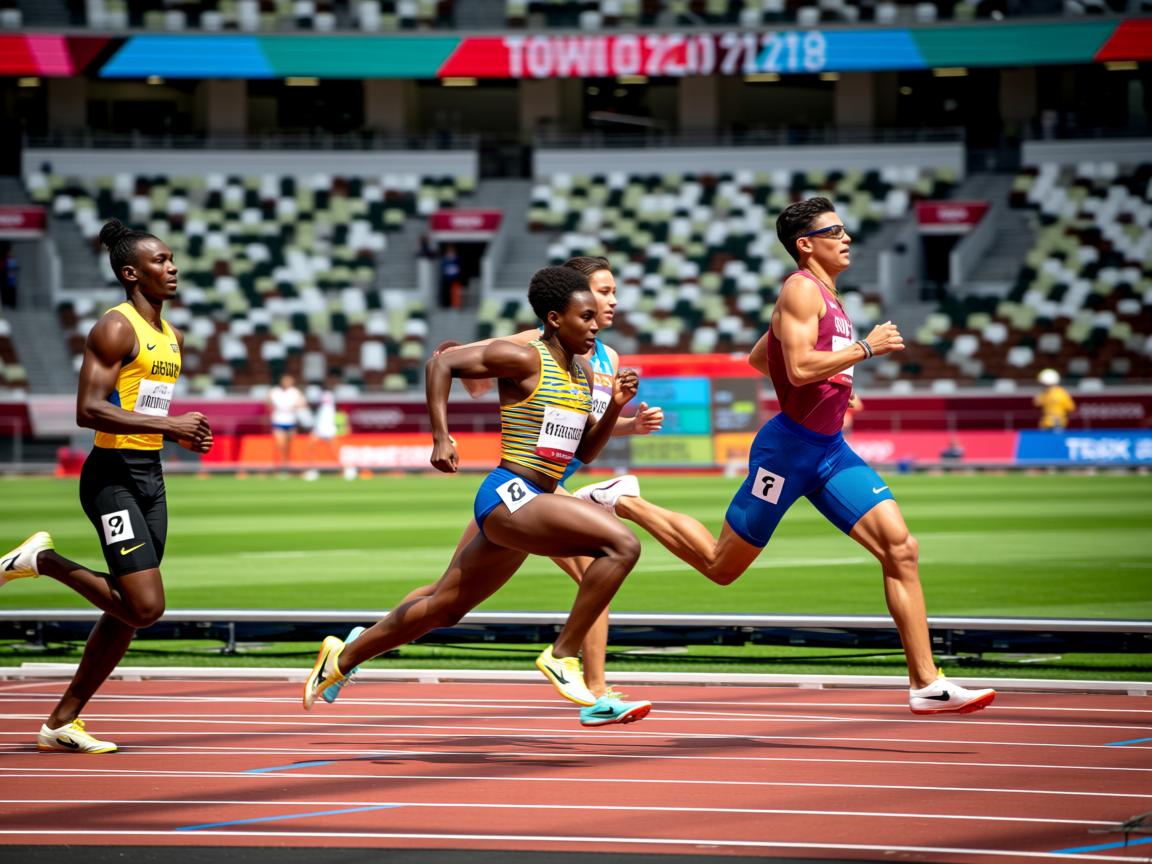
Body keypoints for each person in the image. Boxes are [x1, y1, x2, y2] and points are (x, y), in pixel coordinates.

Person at [573, 197, 996, 716]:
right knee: (720, 566)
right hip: (788, 451)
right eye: (834, 230)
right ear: (805, 243)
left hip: (829, 450)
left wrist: (838, 379)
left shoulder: (830, 297)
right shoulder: (801, 288)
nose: (846, 238)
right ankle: (626, 500)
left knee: (901, 549)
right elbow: (794, 368)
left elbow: (762, 356)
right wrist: (864, 349)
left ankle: (926, 683)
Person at [302, 266, 651, 727]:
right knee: (622, 545)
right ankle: (562, 655)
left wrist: (615, 408)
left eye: (594, 317)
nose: (593, 326)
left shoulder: (585, 374)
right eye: (584, 317)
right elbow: (441, 364)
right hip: (511, 495)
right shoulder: (524, 358)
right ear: (553, 318)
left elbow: (585, 449)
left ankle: (343, 658)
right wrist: (440, 437)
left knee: (445, 607)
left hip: (535, 501)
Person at [0, 219, 212, 752]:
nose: (173, 267)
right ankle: (41, 561)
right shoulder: (115, 328)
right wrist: (170, 426)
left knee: (124, 610)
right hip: (110, 478)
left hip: (150, 478)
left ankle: (61, 723)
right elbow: (88, 410)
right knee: (143, 607)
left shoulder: (172, 336)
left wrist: (177, 435)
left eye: (171, 258)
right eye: (160, 260)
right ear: (130, 272)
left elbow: (141, 406)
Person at [303, 375, 340, 481]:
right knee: (310, 447)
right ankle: (312, 470)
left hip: (328, 426)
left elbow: (315, 404)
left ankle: (346, 469)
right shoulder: (320, 395)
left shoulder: (328, 395)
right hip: (319, 426)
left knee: (335, 451)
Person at [267, 373, 305, 475]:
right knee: (281, 445)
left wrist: (295, 407)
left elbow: (302, 404)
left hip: (291, 421)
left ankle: (287, 466)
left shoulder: (295, 392)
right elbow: (269, 404)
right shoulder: (275, 392)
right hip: (278, 421)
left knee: (289, 446)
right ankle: (283, 466)